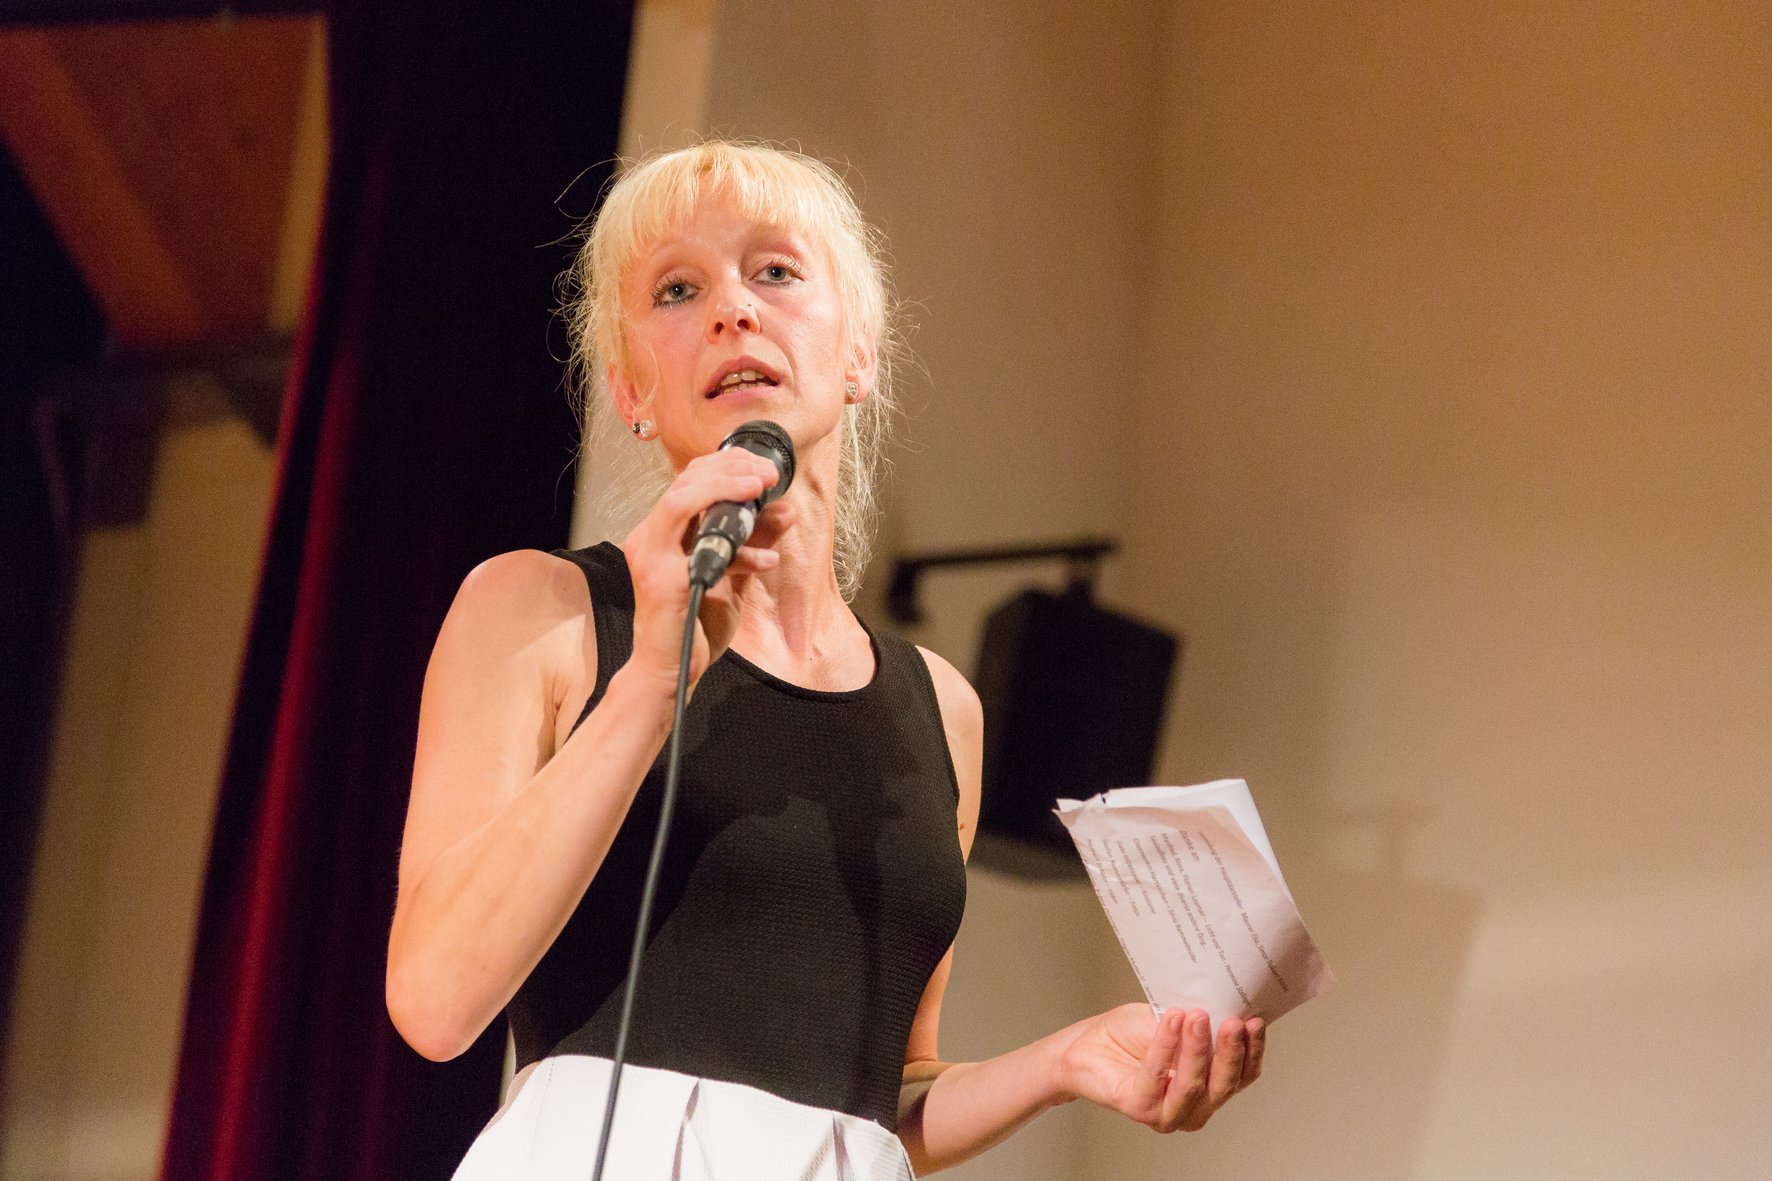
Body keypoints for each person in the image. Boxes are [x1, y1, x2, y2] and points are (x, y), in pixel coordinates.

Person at [385, 140, 1266, 1179]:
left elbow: (878, 1099)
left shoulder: (940, 709)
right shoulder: (540, 610)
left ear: (859, 355)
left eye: (774, 271)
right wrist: (646, 688)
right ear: (629, 388)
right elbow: (435, 1001)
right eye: (677, 289)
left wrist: (1063, 1061)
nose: (732, 309)